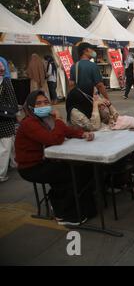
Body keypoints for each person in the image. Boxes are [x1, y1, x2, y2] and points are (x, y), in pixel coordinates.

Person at [15, 90, 96, 225]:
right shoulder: (28, 123)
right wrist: (58, 119)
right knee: (71, 174)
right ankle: (64, 214)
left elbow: (66, 130)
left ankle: (80, 206)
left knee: (84, 167)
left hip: (48, 160)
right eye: (38, 103)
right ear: (30, 107)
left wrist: (83, 134)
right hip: (32, 167)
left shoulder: (46, 119)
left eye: (46, 102)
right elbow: (53, 139)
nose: (43, 106)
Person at [0, 60, 18, 183]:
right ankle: (1, 174)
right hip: (5, 118)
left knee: (10, 140)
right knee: (5, 146)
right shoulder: (5, 81)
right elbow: (12, 99)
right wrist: (15, 110)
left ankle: (14, 162)